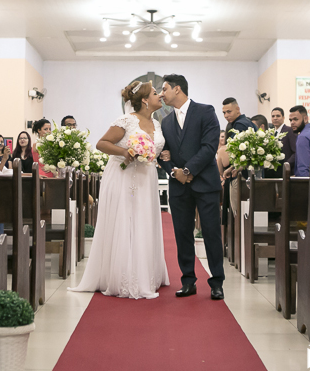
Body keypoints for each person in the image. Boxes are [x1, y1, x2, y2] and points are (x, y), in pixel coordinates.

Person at [69, 80, 169, 299]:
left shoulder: (157, 123)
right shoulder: (126, 120)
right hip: (124, 176)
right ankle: (123, 276)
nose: (160, 95)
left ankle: (145, 274)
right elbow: (102, 143)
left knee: (143, 221)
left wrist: (163, 155)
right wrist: (126, 152)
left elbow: (157, 148)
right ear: (145, 100)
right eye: (155, 93)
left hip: (147, 177)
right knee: (126, 220)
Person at [157, 73, 225, 300]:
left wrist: (187, 171)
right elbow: (162, 153)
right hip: (179, 186)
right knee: (182, 234)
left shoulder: (205, 111)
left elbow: (209, 147)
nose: (161, 94)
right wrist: (173, 171)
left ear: (177, 89)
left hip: (205, 183)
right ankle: (188, 281)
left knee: (211, 233)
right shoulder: (166, 121)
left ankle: (217, 282)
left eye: (164, 89)